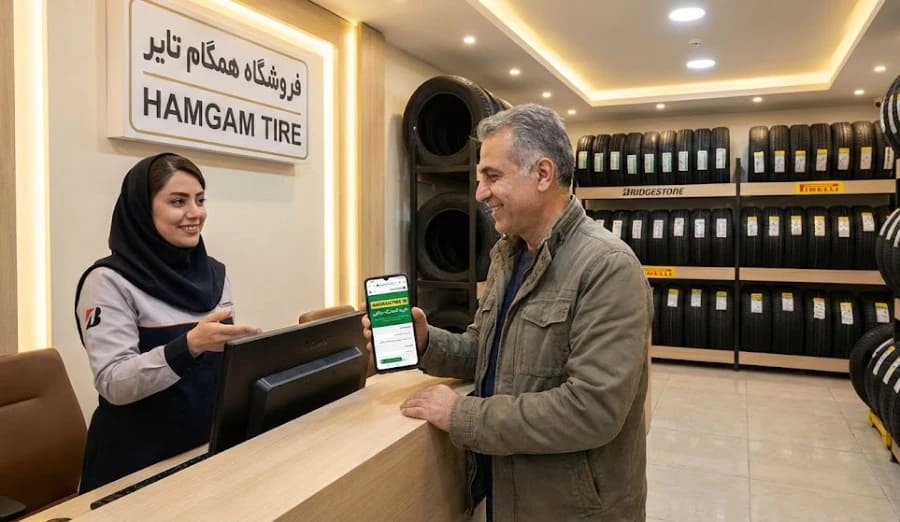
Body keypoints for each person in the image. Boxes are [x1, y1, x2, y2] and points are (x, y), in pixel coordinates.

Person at [363, 104, 651, 520]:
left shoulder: (607, 267)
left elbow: (592, 410)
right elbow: (487, 352)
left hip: (573, 511)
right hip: (511, 496)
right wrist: (426, 343)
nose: (480, 193)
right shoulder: (507, 255)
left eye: (492, 176)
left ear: (543, 174)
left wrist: (462, 414)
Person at [75, 153, 260, 492]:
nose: (195, 213)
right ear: (143, 209)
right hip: (136, 466)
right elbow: (113, 382)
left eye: (200, 200)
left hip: (204, 452)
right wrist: (187, 347)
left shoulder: (215, 274)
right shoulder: (108, 281)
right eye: (178, 201)